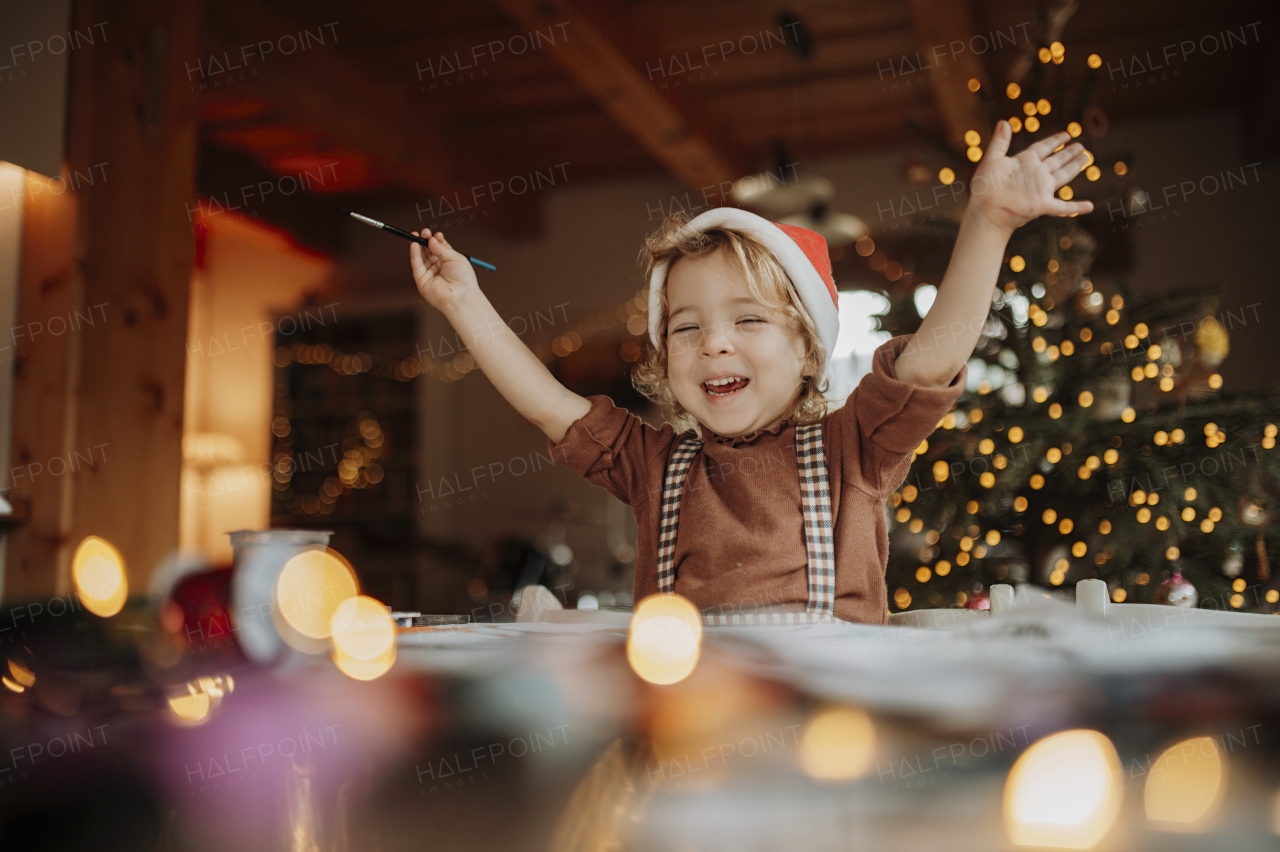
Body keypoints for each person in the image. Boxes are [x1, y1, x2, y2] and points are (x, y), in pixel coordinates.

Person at [409, 122, 1093, 624]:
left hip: (831, 723)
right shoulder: (654, 466)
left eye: (748, 320)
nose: (713, 344)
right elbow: (548, 405)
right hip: (694, 722)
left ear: (807, 352)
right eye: (686, 328)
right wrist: (463, 301)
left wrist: (989, 223)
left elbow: (936, 355)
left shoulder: (855, 448)